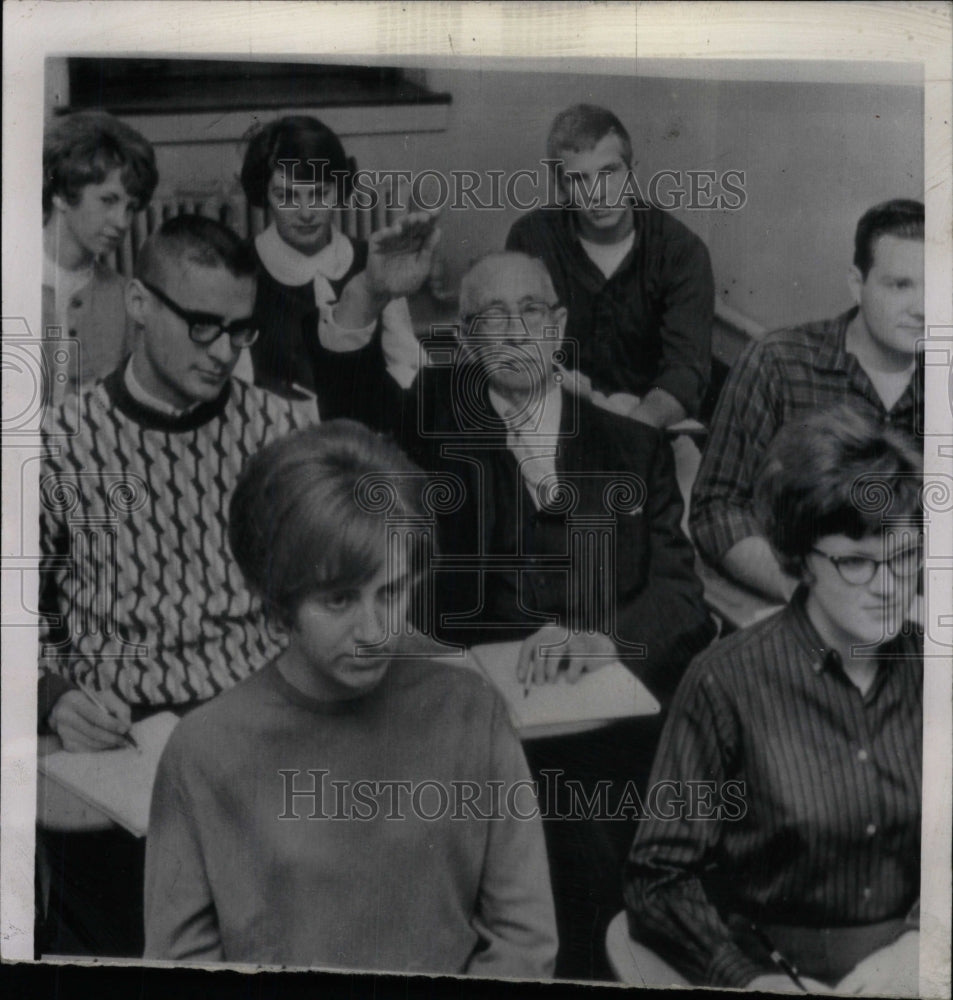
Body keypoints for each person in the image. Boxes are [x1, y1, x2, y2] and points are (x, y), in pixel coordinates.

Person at [143, 420, 557, 976]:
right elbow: (180, 963)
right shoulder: (203, 751)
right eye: (339, 601)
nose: (376, 630)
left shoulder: (472, 713)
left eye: (393, 591)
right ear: (277, 604)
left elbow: (523, 939)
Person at [405, 251, 715, 979]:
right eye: (491, 318)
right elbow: (425, 583)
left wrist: (606, 642)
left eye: (532, 313)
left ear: (560, 324)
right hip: (493, 724)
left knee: (610, 854)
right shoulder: (433, 428)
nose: (515, 333)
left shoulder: (632, 447)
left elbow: (680, 597)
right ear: (465, 338)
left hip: (618, 724)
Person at [37, 214, 313, 956]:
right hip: (117, 747)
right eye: (201, 325)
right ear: (137, 303)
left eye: (241, 330)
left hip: (261, 732)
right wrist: (54, 699)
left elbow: (326, 589)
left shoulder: (278, 433)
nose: (225, 351)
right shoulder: (61, 444)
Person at [625, 405, 922, 995]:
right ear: (799, 558)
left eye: (906, 556)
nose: (889, 585)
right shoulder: (726, 682)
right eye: (857, 561)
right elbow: (656, 879)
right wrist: (748, 979)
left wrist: (918, 945)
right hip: (777, 971)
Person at [691, 198, 924, 602]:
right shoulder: (778, 362)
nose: (923, 309)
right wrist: (812, 596)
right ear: (857, 283)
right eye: (900, 285)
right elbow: (717, 509)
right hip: (792, 606)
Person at [505, 103, 714, 429]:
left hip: (649, 422)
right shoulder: (531, 239)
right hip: (558, 413)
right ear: (561, 187)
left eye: (609, 172)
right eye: (578, 179)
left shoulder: (682, 252)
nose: (597, 194)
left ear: (633, 172)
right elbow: (518, 348)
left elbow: (685, 373)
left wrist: (627, 436)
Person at [239, 115, 439, 433]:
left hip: (365, 438)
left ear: (340, 188)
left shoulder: (370, 261)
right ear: (264, 195)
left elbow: (407, 363)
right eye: (287, 196)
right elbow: (238, 391)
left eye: (319, 193)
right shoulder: (243, 268)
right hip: (279, 441)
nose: (306, 213)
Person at [43, 110, 158, 391]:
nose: (122, 222)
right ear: (60, 194)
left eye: (131, 208)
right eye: (108, 200)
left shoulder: (123, 298)